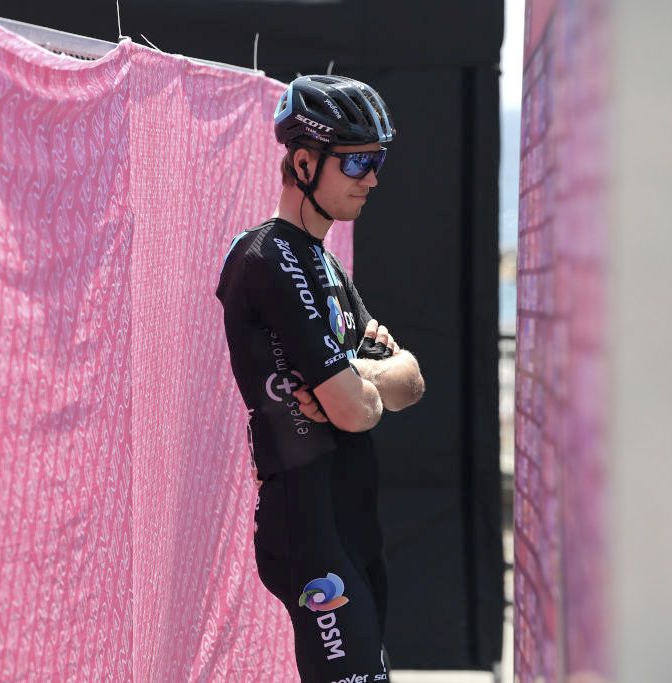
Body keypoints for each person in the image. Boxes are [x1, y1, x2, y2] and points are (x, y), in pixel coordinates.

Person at [215, 74, 426, 682]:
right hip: (307, 521)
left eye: (378, 160)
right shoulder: (266, 258)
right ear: (304, 163)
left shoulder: (325, 262)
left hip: (352, 515)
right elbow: (356, 411)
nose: (373, 178)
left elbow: (409, 379)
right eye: (358, 162)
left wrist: (349, 374)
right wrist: (359, 385)